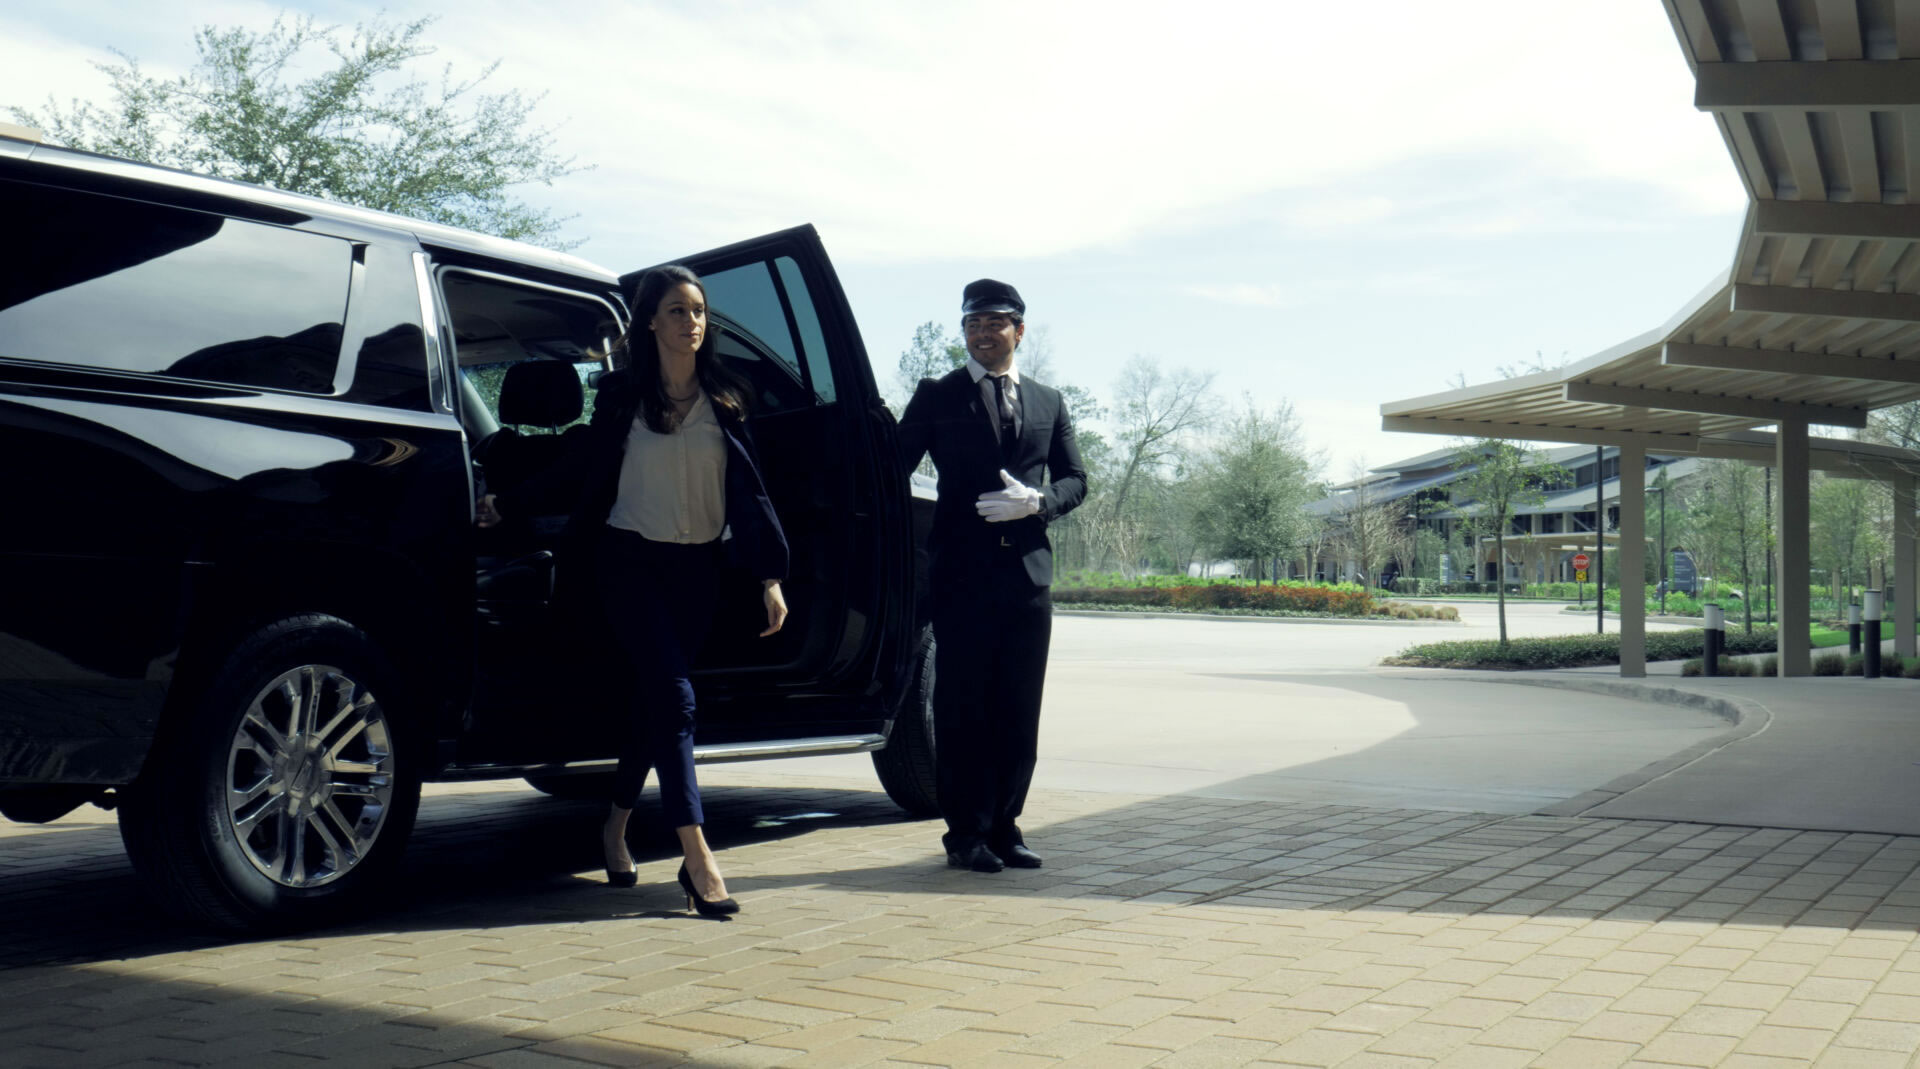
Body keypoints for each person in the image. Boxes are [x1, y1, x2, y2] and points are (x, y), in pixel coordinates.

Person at [476, 264, 789, 916]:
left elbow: (752, 493)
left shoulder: (727, 397)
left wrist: (769, 575)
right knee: (675, 699)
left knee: (654, 711)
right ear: (651, 321)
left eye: (698, 312)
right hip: (629, 563)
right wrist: (507, 502)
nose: (690, 322)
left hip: (697, 571)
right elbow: (581, 464)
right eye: (676, 311)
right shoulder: (622, 397)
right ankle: (697, 859)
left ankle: (615, 823)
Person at [896, 279, 1087, 873]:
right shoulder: (937, 395)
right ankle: (966, 834)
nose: (981, 333)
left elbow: (1077, 478)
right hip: (962, 575)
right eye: (972, 325)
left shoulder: (1049, 400)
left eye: (994, 323)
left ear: (1018, 330)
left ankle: (1005, 824)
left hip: (1028, 577)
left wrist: (1040, 502)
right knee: (962, 708)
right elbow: (892, 464)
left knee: (1017, 707)